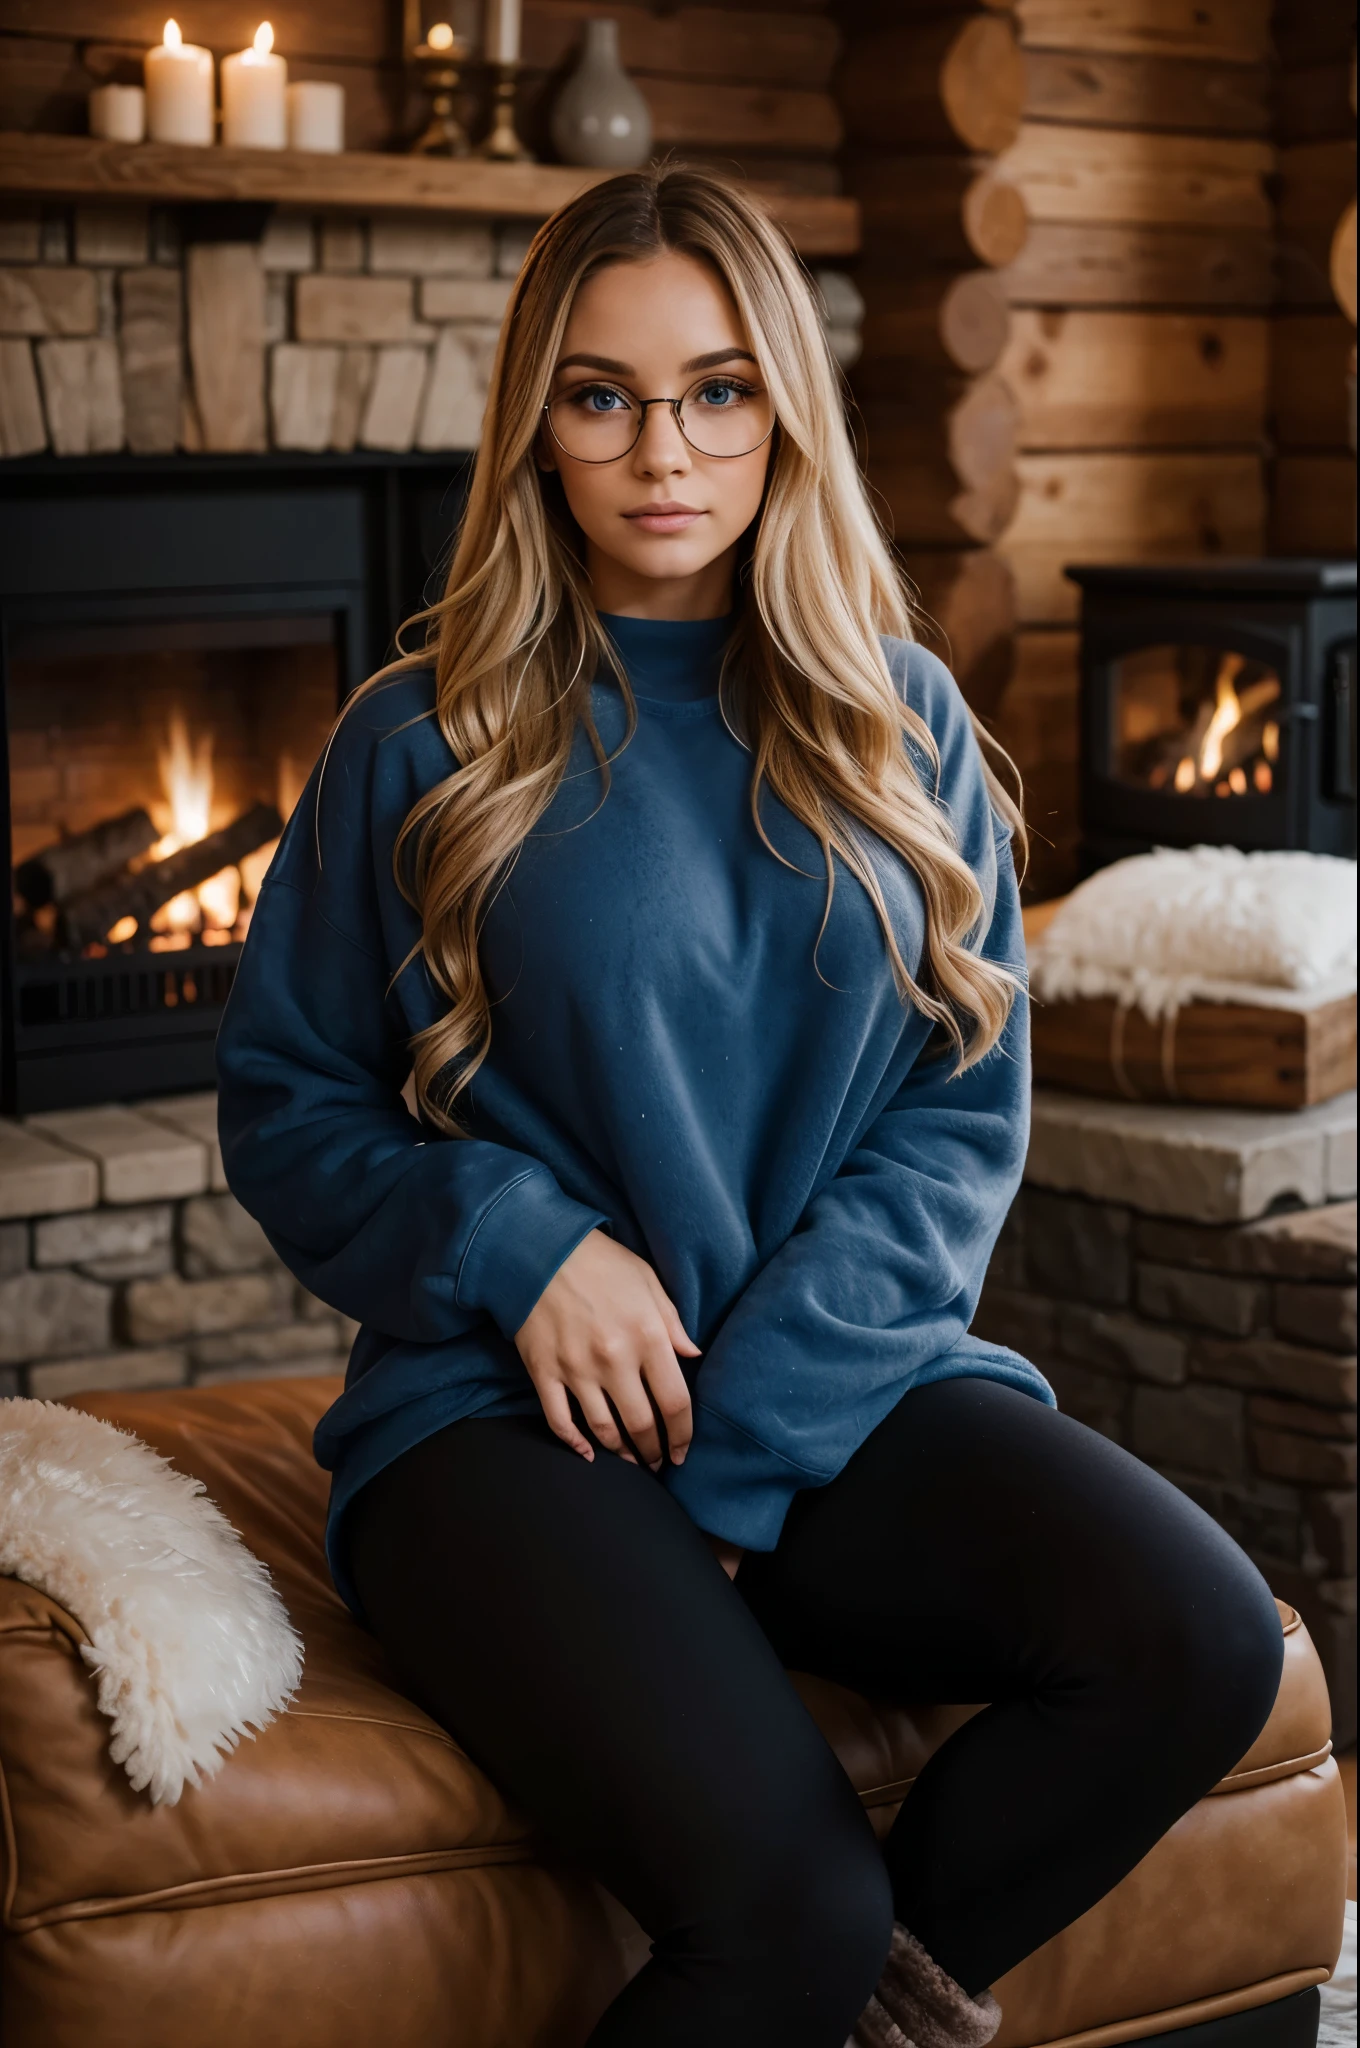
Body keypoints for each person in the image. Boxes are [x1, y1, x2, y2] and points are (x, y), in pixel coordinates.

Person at [216, 165, 1285, 2048]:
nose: (665, 451)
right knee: (786, 1908)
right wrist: (520, 1242)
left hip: (831, 1387)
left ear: (783, 403)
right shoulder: (422, 734)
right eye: (602, 394)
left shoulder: (905, 722)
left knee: (1195, 1644)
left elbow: (956, 1124)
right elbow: (290, 1104)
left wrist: (741, 1455)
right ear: (536, 427)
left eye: (718, 388)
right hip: (500, 1419)